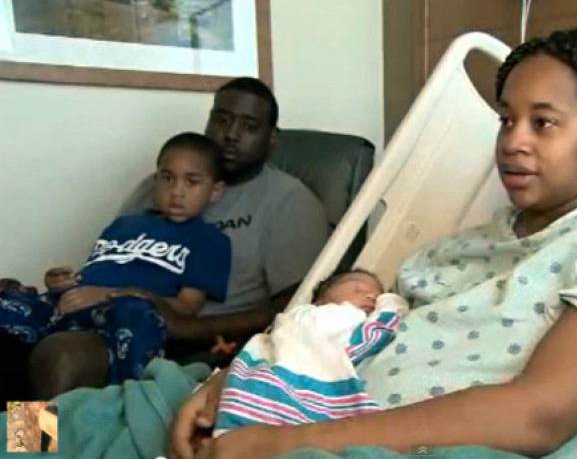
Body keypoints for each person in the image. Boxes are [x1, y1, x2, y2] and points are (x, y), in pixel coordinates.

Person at [172, 27, 577, 459]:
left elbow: (538, 415)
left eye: (543, 123)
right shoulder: (468, 246)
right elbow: (345, 332)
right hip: (296, 409)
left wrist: (283, 443)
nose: (513, 142)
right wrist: (240, 380)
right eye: (507, 119)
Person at [0, 77, 329, 403]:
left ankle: (35, 448)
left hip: (181, 336)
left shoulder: (288, 201)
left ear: (271, 139)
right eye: (222, 119)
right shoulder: (154, 187)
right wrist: (66, 286)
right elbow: (114, 259)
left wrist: (185, 327)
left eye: (249, 125)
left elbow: (296, 305)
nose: (231, 134)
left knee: (57, 356)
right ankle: (17, 445)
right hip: (97, 309)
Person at [0, 132, 231, 385]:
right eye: (168, 178)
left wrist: (110, 294)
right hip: (70, 306)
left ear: (215, 191)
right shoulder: (124, 225)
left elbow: (187, 309)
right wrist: (61, 281)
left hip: (123, 311)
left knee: (137, 312)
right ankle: (18, 425)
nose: (176, 192)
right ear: (156, 180)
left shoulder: (210, 240)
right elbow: (94, 272)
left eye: (191, 182)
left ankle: (45, 424)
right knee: (7, 306)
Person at [214, 269, 408, 437]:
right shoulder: (329, 316)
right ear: (321, 299)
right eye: (357, 289)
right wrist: (392, 303)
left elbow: (368, 340)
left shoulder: (354, 322)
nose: (371, 296)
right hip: (265, 385)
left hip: (267, 401)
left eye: (378, 296)